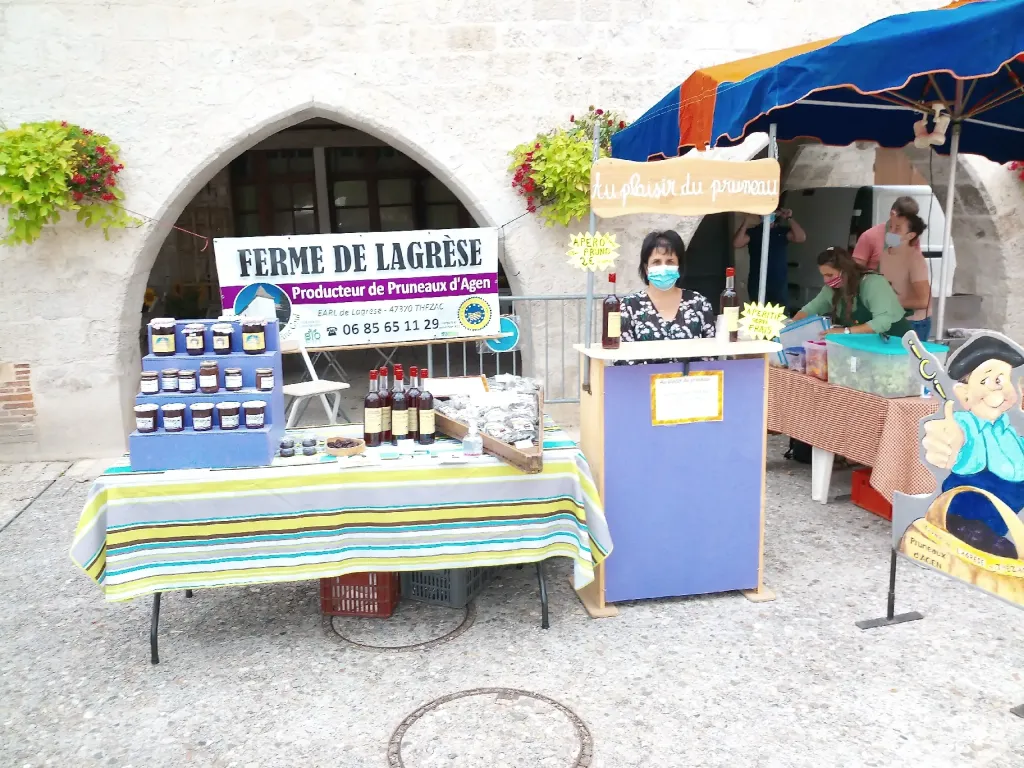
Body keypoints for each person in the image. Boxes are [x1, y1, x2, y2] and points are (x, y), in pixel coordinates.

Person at [920, 334, 1024, 559]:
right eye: (994, 381)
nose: (1005, 391)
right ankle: (961, 530)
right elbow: (961, 448)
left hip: (1004, 517)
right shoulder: (967, 424)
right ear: (964, 394)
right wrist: (954, 443)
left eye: (1007, 380)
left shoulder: (1008, 429)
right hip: (970, 512)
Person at [619, 231, 715, 352]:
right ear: (646, 268)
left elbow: (711, 353)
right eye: (656, 262)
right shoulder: (629, 307)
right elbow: (622, 358)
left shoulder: (699, 303)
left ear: (679, 266)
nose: (663, 267)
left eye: (670, 262)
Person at [792, 246, 912, 338]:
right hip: (866, 345)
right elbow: (810, 309)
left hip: (894, 343)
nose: (826, 280)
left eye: (829, 275)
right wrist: (790, 326)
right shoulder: (831, 289)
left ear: (845, 270)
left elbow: (882, 323)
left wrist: (845, 332)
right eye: (823, 275)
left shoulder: (873, 283)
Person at [732, 206, 806, 308]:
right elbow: (737, 243)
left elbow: (801, 237)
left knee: (781, 315)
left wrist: (789, 218)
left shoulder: (782, 231)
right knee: (759, 313)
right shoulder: (754, 232)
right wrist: (746, 222)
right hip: (757, 281)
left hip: (778, 281)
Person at [878, 214, 932, 340]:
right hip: (892, 320)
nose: (890, 231)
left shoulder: (915, 260)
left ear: (910, 235)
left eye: (897, 228)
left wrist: (892, 303)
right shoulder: (885, 255)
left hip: (913, 324)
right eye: (890, 227)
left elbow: (924, 301)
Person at [852, 195, 923, 273]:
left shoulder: (912, 238)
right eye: (906, 219)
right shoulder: (869, 236)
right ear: (893, 214)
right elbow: (855, 272)